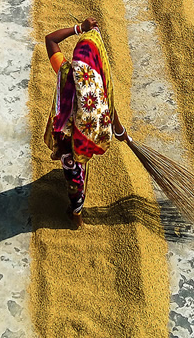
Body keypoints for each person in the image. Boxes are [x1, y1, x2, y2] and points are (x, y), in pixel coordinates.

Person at [44, 17, 130, 230]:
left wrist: (78, 29)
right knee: (76, 179)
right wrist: (120, 132)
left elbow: (50, 40)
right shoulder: (96, 84)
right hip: (79, 143)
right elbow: (109, 107)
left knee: (74, 177)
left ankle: (76, 211)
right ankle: (76, 216)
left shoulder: (65, 71)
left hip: (67, 140)